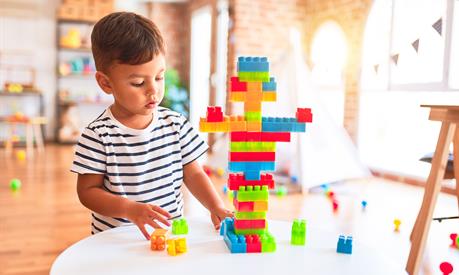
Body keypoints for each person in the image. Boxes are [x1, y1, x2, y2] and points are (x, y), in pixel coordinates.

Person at [71, 12, 232, 240]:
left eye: (159, 77)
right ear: (106, 83)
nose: (153, 90)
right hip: (116, 240)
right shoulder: (98, 135)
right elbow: (87, 192)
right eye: (138, 83)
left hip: (168, 235)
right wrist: (129, 209)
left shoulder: (175, 124)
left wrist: (215, 206)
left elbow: (194, 173)